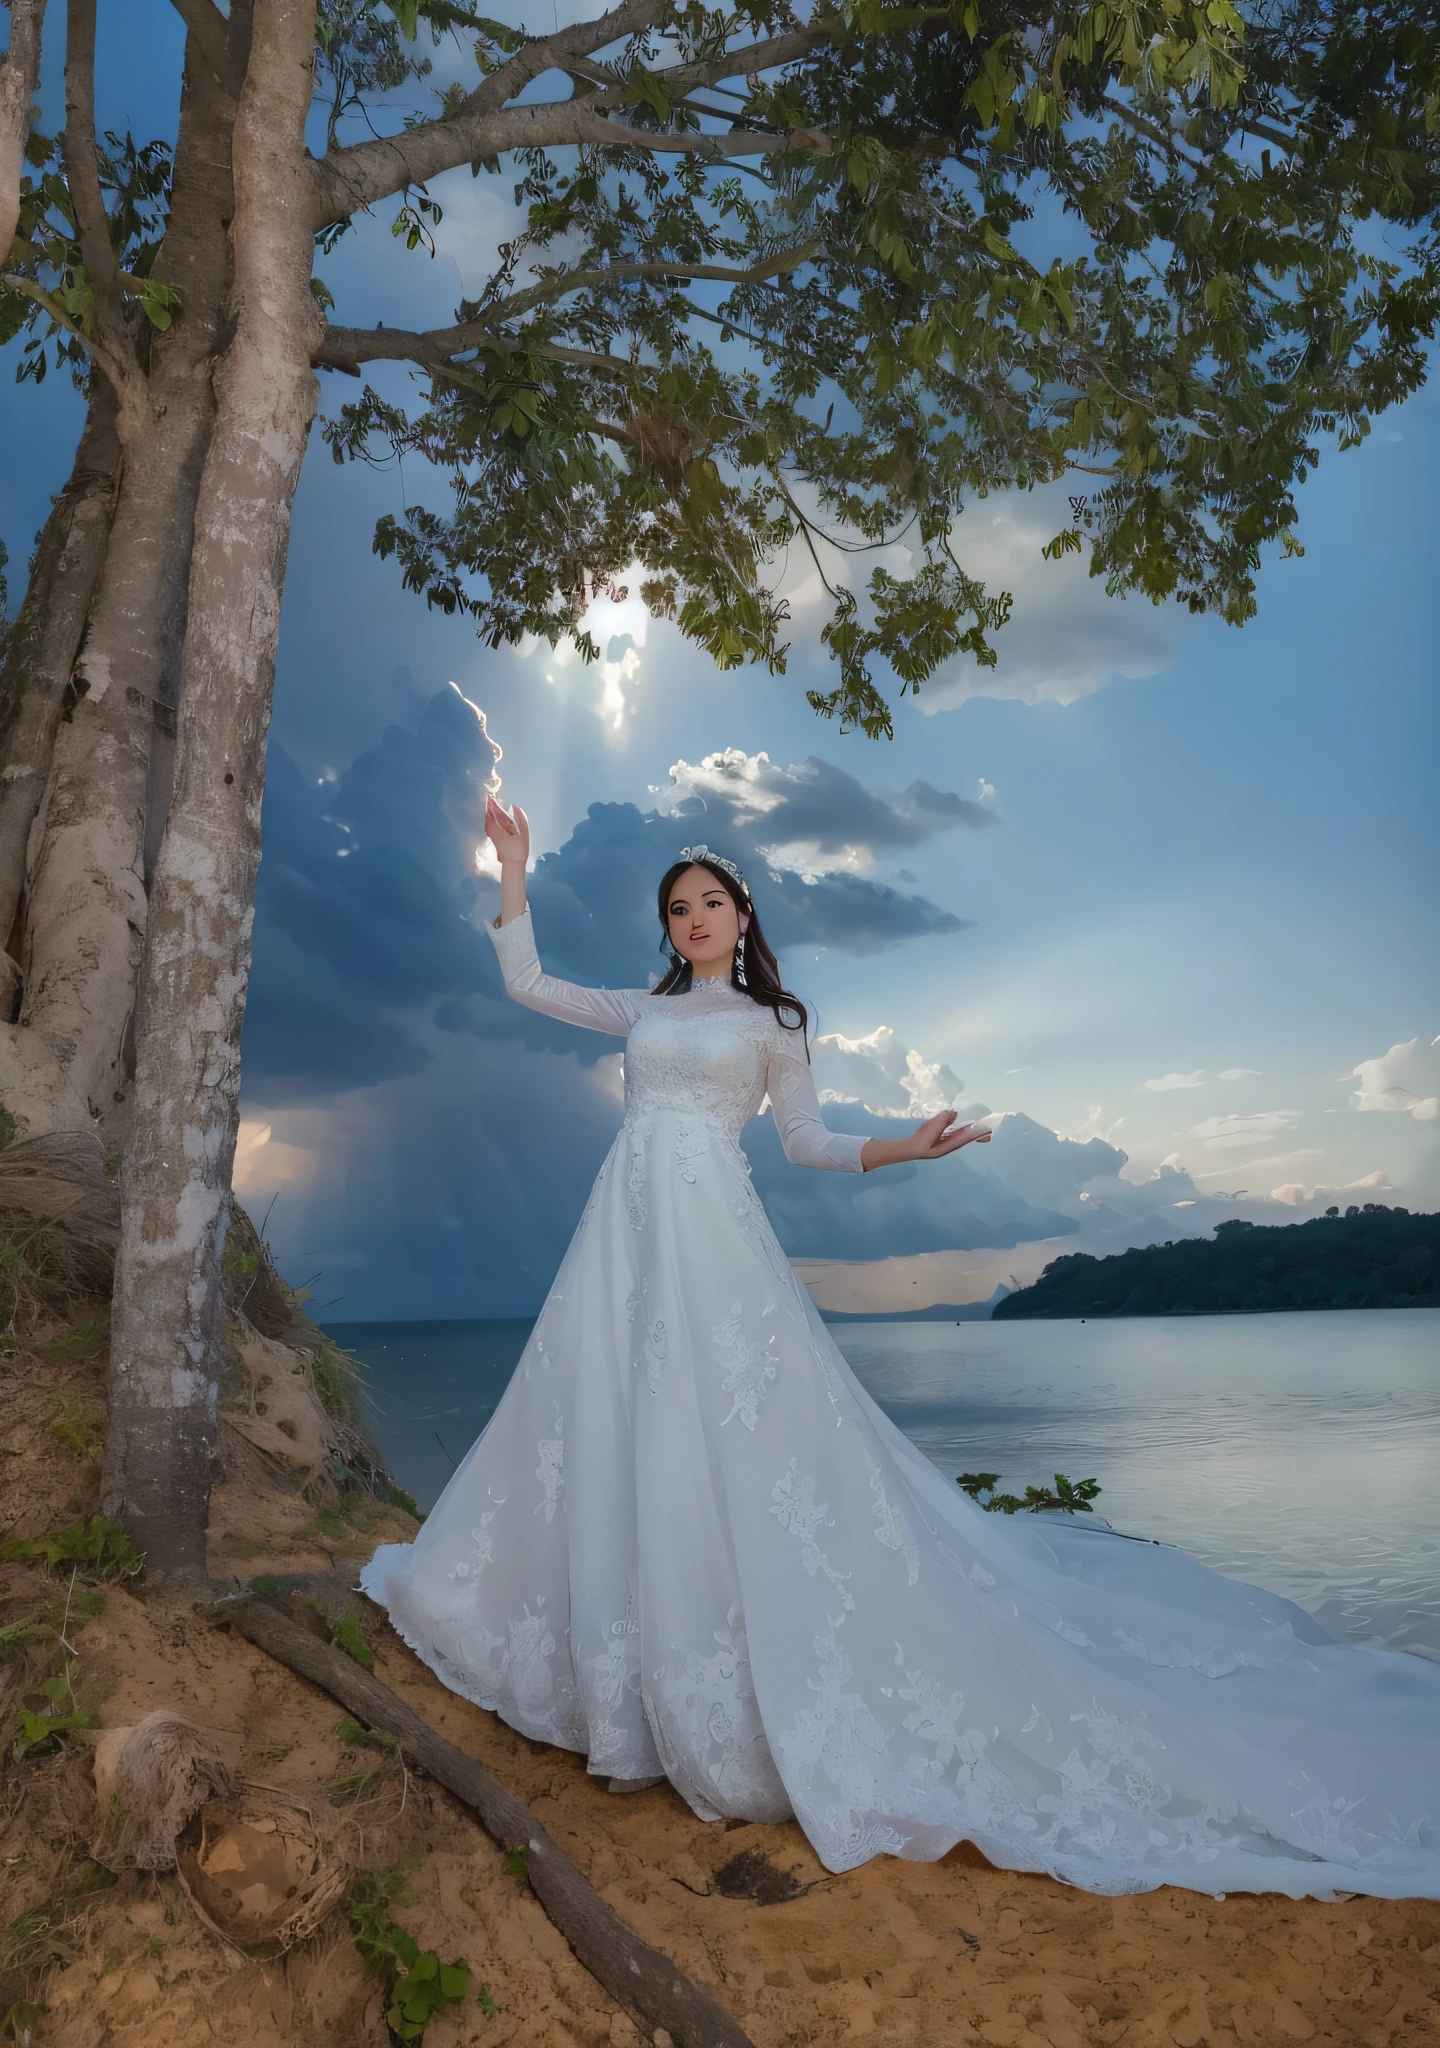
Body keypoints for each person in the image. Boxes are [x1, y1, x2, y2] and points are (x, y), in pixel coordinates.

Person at [361, 799, 1440, 1900]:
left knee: (734, 1436)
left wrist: (902, 1148)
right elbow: (525, 985)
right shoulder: (640, 1005)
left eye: (712, 902)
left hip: (715, 1237)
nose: (694, 918)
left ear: (744, 914)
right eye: (678, 907)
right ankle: (616, 1685)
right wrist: (513, 866)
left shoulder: (777, 1022)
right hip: (626, 1231)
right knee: (609, 1419)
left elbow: (806, 1141)